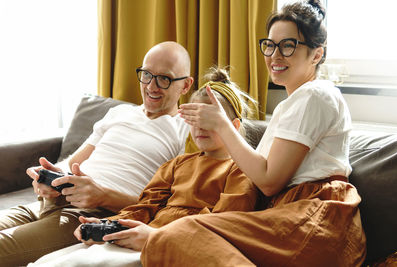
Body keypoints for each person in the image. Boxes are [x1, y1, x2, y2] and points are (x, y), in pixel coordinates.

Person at [141, 1, 367, 266]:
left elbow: (269, 181)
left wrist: (221, 125)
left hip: (315, 217)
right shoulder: (293, 103)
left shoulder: (315, 95)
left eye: (288, 46)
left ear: (317, 55)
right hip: (290, 213)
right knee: (174, 235)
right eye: (270, 45)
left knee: (176, 235)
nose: (275, 55)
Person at [28, 68, 259, 266]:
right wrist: (111, 224)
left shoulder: (241, 171)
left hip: (176, 246)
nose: (200, 127)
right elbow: (146, 205)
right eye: (193, 118)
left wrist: (156, 236)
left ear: (234, 126)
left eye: (208, 119)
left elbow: (222, 225)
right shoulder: (178, 165)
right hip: (139, 236)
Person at [0, 41, 194, 266]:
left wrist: (103, 196)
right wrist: (53, 175)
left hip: (92, 214)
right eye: (147, 74)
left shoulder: (187, 131)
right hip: (49, 202)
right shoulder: (119, 113)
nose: (151, 86)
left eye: (164, 78)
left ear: (186, 85)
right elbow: (74, 161)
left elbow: (172, 208)